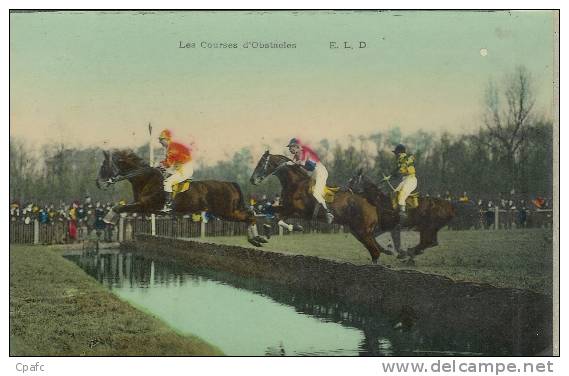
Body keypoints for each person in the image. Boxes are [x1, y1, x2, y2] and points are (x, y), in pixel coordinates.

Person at [286, 138, 334, 224]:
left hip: (320, 172)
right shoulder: (295, 156)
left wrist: (290, 163)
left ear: (296, 146)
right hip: (312, 173)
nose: (289, 149)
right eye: (289, 148)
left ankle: (328, 212)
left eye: (291, 147)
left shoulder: (304, 151)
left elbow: (302, 163)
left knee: (316, 193)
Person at [158, 129, 194, 212]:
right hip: (180, 167)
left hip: (184, 168)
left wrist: (160, 165)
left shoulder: (172, 147)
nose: (160, 142)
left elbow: (168, 163)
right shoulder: (172, 146)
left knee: (167, 182)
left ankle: (168, 205)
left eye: (161, 140)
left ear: (166, 139)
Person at [387, 144, 417, 222]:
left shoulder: (404, 158)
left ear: (399, 153)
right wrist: (390, 176)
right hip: (405, 179)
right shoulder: (401, 159)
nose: (395, 155)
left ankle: (403, 214)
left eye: (396, 153)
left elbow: (401, 170)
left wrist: (392, 176)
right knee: (394, 193)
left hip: (411, 179)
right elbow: (398, 169)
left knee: (401, 194)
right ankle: (396, 212)